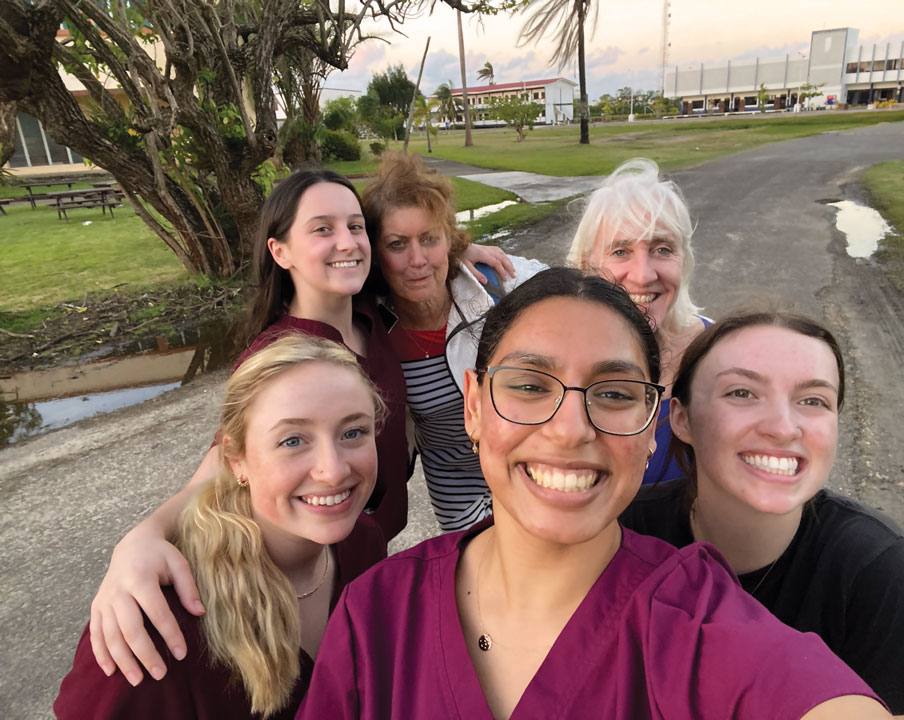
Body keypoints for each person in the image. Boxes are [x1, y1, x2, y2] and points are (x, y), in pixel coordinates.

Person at [296, 268, 889, 720]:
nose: (572, 429)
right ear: (474, 405)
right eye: (530, 385)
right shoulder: (376, 613)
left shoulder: (697, 624)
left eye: (613, 394)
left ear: (653, 421)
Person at [84, 167, 518, 686]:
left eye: (356, 227)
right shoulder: (281, 355)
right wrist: (141, 537)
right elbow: (225, 460)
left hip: (362, 547)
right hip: (307, 560)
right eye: (322, 229)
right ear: (280, 252)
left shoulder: (367, 313)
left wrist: (457, 254)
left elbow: (414, 260)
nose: (346, 242)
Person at [620, 307, 904, 718]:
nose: (783, 428)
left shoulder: (882, 572)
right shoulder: (624, 533)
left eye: (813, 400)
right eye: (742, 393)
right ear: (681, 418)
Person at [55, 336, 388, 719]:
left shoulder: (364, 544)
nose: (333, 470)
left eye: (353, 432)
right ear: (236, 460)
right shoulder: (158, 624)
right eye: (293, 440)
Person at [362, 151, 547, 532]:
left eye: (429, 239)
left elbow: (573, 293)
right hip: (453, 481)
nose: (417, 260)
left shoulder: (491, 286)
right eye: (397, 244)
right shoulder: (367, 324)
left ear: (450, 240)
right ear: (377, 253)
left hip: (524, 460)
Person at [569, 158, 708, 484]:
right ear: (588, 265)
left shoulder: (720, 353)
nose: (644, 275)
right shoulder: (563, 360)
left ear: (684, 260)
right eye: (620, 252)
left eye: (662, 249)